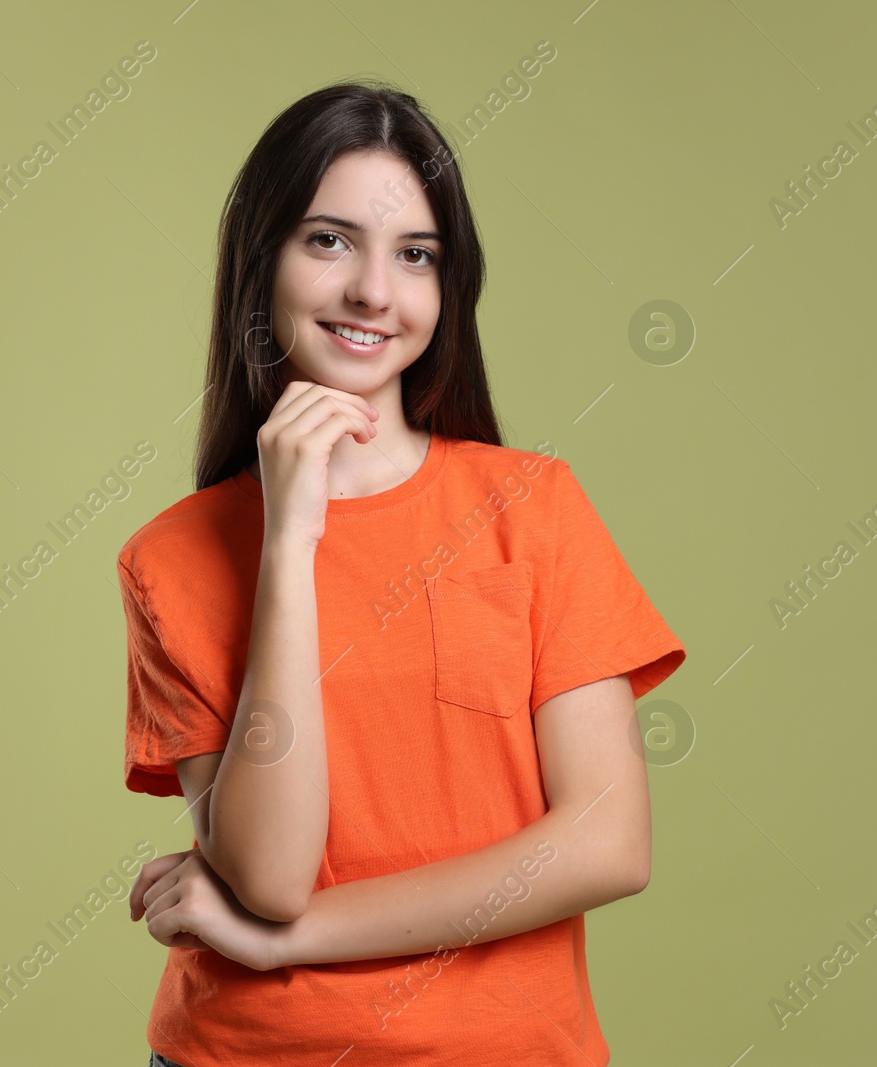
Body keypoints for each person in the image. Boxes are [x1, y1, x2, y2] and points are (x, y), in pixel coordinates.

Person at [117, 79, 686, 1066]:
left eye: (414, 254)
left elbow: (607, 844)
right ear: (261, 267)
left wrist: (282, 941)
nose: (374, 290)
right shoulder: (171, 558)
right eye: (328, 240)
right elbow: (271, 871)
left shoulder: (532, 506)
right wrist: (288, 544)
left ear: (445, 287)